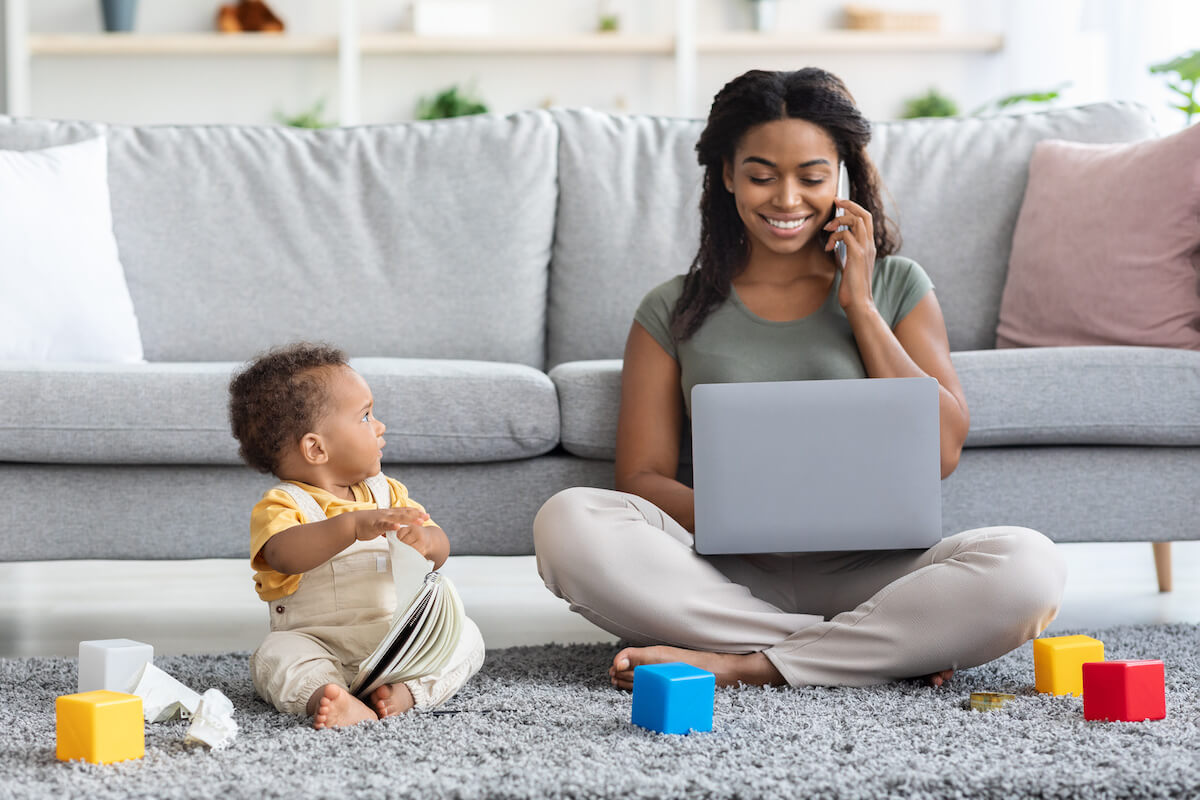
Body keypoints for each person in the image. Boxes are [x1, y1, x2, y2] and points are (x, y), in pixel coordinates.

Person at [532, 68, 1066, 691]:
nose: (787, 200)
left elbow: (942, 451)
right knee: (567, 521)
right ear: (727, 175)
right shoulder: (672, 307)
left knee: (1030, 565)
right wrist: (747, 519)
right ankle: (863, 648)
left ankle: (746, 663)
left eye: (811, 178)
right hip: (723, 575)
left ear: (840, 175)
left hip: (875, 573)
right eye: (761, 176)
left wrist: (861, 308)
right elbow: (641, 477)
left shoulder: (898, 287)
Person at [228, 343, 485, 729]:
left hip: (394, 645)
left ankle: (406, 693)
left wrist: (429, 541)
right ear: (316, 448)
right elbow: (282, 554)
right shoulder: (283, 504)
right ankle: (329, 696)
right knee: (274, 656)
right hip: (317, 645)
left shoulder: (387, 493)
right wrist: (351, 527)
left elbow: (436, 544)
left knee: (466, 635)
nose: (379, 426)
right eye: (365, 416)